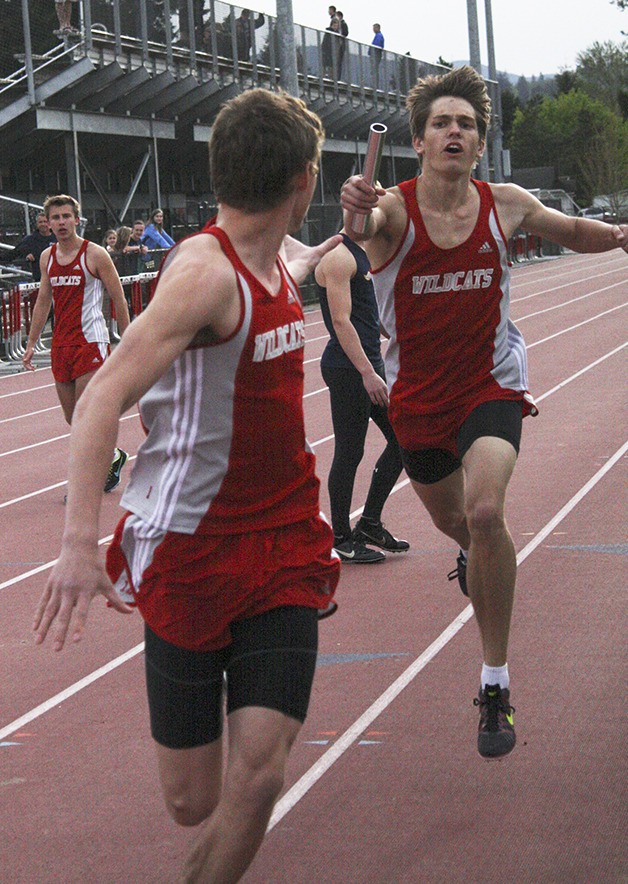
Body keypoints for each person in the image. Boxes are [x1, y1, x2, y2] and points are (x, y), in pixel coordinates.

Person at [33, 88, 342, 882]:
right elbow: (102, 394)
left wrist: (351, 222)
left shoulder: (275, 252)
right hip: (190, 553)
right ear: (302, 178)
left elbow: (300, 259)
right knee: (191, 802)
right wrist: (77, 543)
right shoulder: (205, 273)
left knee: (262, 773)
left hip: (283, 544)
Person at [340, 64, 628, 759]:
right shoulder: (395, 212)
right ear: (419, 139)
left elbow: (571, 231)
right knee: (455, 522)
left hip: (491, 386)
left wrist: (620, 237)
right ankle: (474, 553)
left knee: (487, 511)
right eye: (442, 122)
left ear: (479, 142)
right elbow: (362, 222)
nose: (455, 131)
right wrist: (356, 206)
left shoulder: (505, 203)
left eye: (466, 124)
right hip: (420, 403)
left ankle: (493, 680)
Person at [22, 194, 131, 493]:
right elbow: (44, 300)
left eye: (66, 216)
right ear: (47, 222)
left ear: (77, 219)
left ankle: (85, 484)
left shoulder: (94, 255)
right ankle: (112, 456)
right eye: (55, 218)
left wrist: (128, 339)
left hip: (91, 341)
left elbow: (118, 298)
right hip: (61, 345)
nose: (60, 223)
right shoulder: (47, 257)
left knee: (84, 416)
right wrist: (32, 342)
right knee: (73, 418)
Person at [315, 232, 409, 564]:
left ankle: (369, 523)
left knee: (402, 439)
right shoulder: (339, 257)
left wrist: (392, 331)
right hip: (349, 368)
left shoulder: (362, 255)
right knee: (350, 451)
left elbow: (364, 313)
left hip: (367, 363)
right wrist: (368, 372)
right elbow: (341, 320)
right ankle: (340, 537)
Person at [12, 213, 56, 282]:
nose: (43, 224)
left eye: (45, 221)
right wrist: (26, 256)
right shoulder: (30, 239)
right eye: (40, 222)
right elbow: (14, 253)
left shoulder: (58, 238)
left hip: (57, 277)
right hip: (40, 279)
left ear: (50, 223)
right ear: (37, 224)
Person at [368, 23, 384, 89]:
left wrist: (371, 51)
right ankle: (374, 85)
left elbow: (376, 45)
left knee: (374, 70)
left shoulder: (379, 35)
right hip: (376, 54)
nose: (373, 29)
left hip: (376, 55)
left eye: (374, 28)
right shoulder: (378, 35)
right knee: (374, 70)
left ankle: (375, 85)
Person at [335, 10, 349, 80]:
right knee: (336, 61)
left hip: (341, 46)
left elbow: (346, 33)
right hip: (337, 45)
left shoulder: (343, 24)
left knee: (339, 62)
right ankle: (335, 76)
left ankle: (338, 78)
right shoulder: (337, 24)